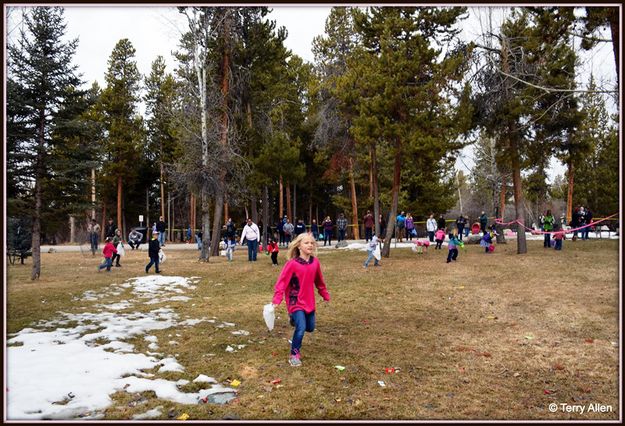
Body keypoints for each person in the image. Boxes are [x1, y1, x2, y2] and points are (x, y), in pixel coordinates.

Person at [271, 233, 331, 367]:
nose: (310, 245)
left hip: (309, 301)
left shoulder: (315, 262)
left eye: (311, 243)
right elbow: (281, 283)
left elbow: (319, 281)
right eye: (306, 243)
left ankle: (293, 319)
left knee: (310, 327)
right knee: (301, 328)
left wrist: (324, 294)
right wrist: (277, 299)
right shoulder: (291, 264)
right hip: (295, 301)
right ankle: (294, 355)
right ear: (299, 246)